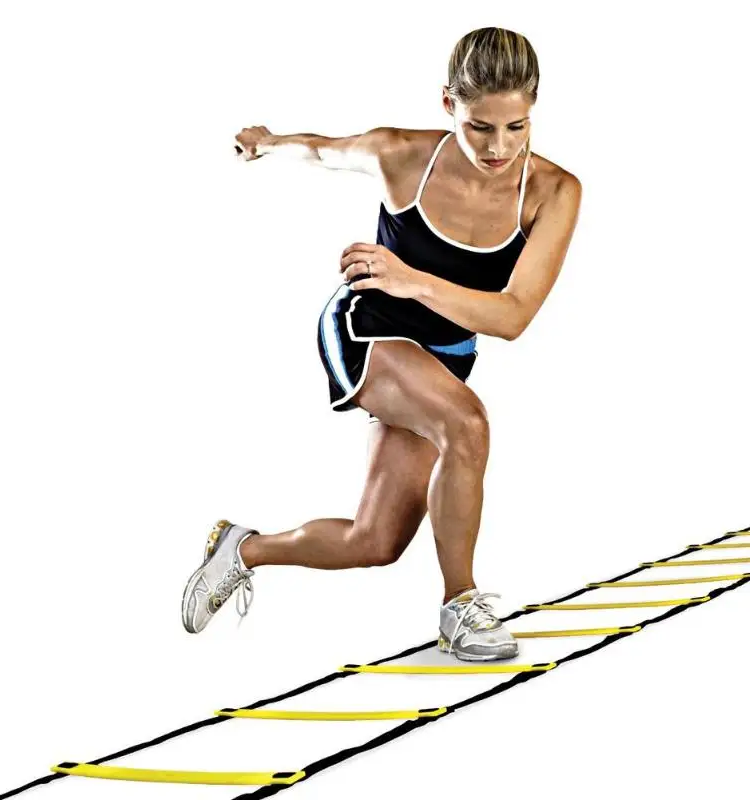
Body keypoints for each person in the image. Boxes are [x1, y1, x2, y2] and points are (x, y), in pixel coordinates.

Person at [181, 27, 581, 661]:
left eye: (517, 127)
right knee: (468, 426)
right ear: (448, 103)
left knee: (374, 541)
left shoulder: (555, 192)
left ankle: (243, 548)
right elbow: (323, 151)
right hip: (366, 327)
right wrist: (267, 142)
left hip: (445, 358)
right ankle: (461, 607)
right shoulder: (400, 154)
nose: (498, 147)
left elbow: (511, 317)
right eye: (479, 127)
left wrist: (411, 278)